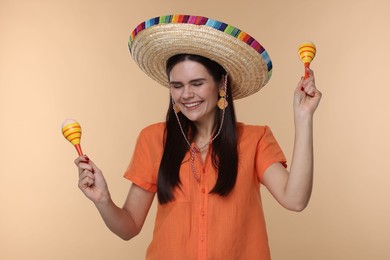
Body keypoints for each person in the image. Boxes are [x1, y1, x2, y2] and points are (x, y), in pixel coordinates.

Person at [75, 14, 321, 260]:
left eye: (197, 83)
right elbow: (129, 227)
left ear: (221, 84)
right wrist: (103, 200)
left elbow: (295, 199)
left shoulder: (255, 139)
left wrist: (303, 118)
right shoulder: (153, 139)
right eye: (177, 85)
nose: (186, 94)